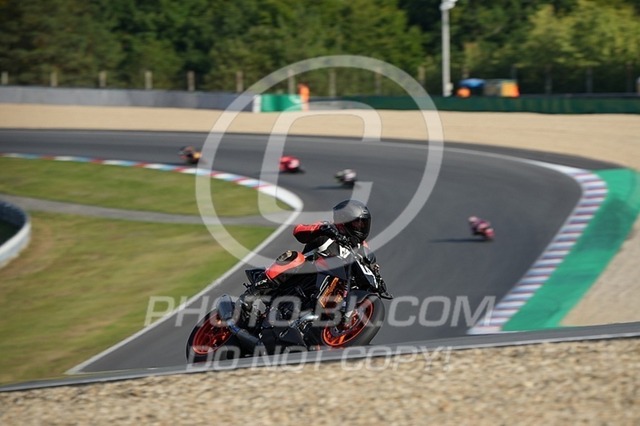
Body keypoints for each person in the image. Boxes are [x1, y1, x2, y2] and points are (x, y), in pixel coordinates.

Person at [292, 199, 392, 298]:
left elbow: (368, 270)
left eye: (363, 224)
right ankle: (280, 280)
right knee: (294, 258)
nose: (361, 226)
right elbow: (298, 230)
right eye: (357, 223)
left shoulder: (361, 247)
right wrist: (321, 229)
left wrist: (378, 282)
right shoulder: (327, 230)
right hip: (305, 275)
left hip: (337, 292)